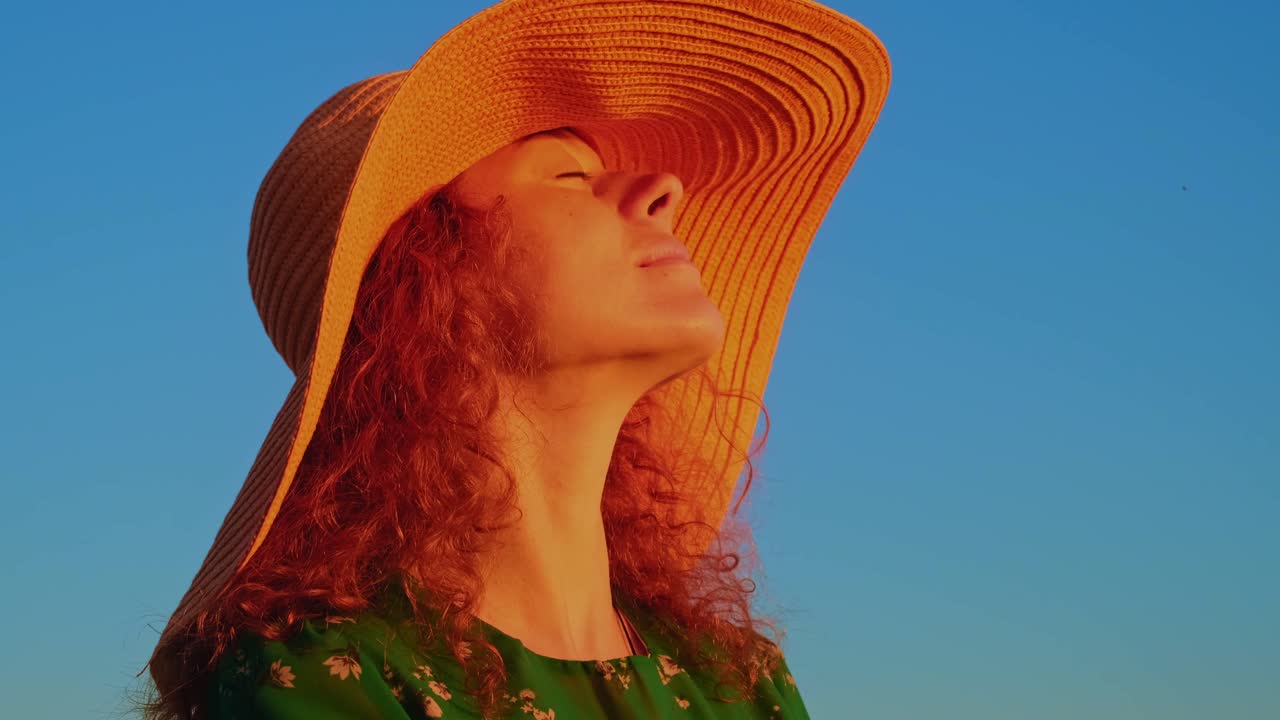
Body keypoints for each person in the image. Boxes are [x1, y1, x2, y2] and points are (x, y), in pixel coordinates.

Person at [130, 0, 891, 717]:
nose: (666, 189)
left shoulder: (740, 681)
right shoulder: (324, 674)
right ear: (429, 273)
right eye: (571, 176)